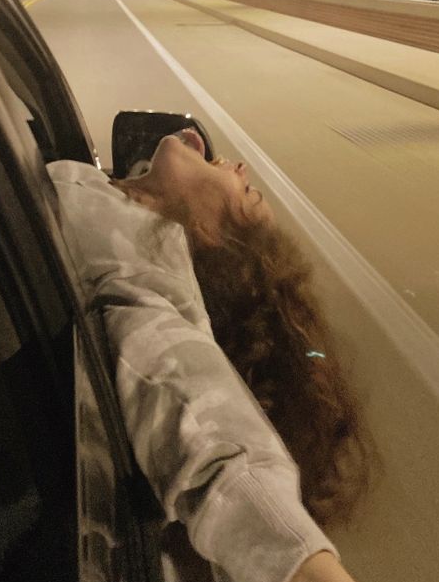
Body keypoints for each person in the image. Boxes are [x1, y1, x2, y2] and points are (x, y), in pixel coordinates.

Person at [48, 127, 375, 582]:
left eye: (246, 192)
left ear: (207, 234)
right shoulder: (111, 200)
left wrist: (309, 568)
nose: (239, 166)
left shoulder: (141, 276)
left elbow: (208, 426)